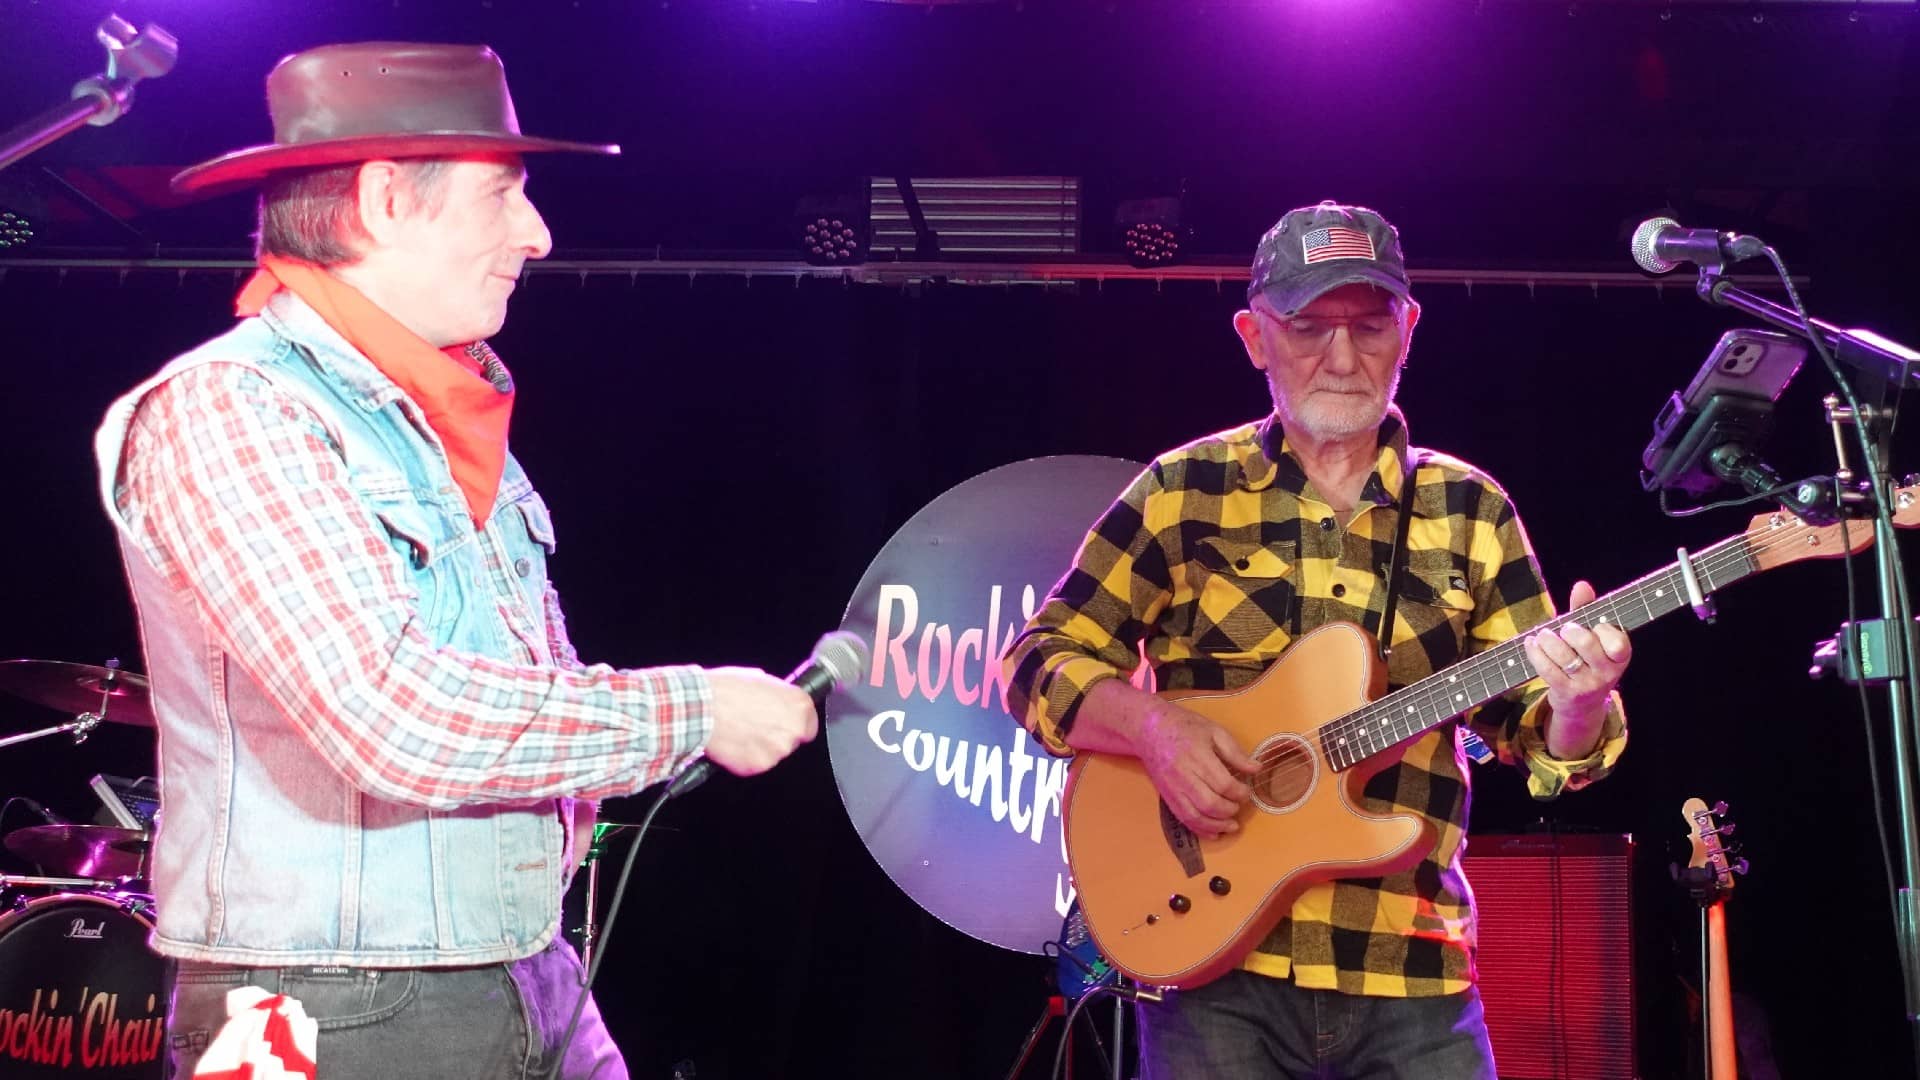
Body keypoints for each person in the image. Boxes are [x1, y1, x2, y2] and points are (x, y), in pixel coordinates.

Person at [91, 43, 819, 1080]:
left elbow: (524, 690)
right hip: (325, 1007)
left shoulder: (440, 420)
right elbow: (386, 714)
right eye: (504, 195)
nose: (539, 233)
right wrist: (695, 712)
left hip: (525, 968)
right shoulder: (232, 407)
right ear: (387, 199)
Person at [1001, 201, 1631, 1078]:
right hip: (1214, 972)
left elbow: (1542, 743)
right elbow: (1036, 663)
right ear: (1255, 336)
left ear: (1408, 330)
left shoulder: (1471, 509)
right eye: (1307, 327)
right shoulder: (1184, 492)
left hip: (1412, 974)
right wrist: (1154, 729)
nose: (1342, 357)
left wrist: (1580, 701)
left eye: (1369, 327)